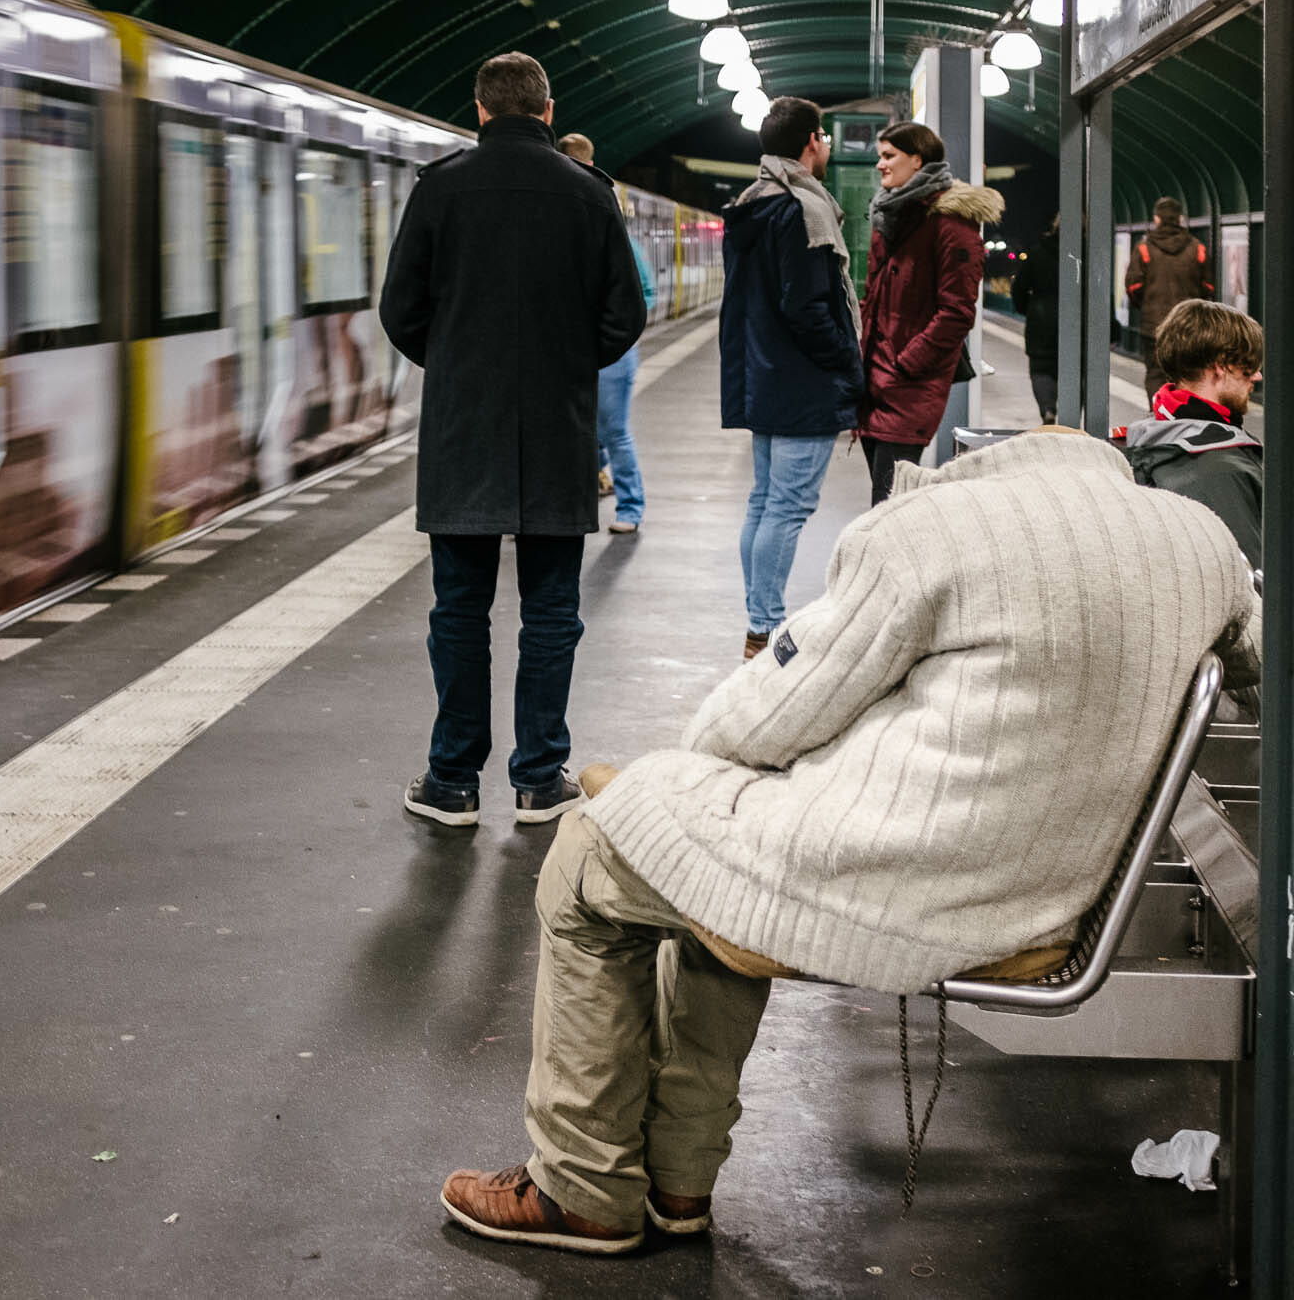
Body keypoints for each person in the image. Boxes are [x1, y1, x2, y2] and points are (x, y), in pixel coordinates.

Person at [438, 428, 1260, 1255]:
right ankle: (675, 1184)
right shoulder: (1200, 542)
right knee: (697, 863)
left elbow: (771, 710)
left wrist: (679, 777)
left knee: (589, 852)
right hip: (1048, 907)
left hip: (900, 894)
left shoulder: (933, 530)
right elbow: (1262, 654)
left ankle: (580, 1186)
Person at [381, 53, 645, 828]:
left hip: (464, 424)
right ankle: (538, 778)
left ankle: (452, 779)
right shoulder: (588, 193)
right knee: (552, 608)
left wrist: (459, 360)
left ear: (481, 110)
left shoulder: (441, 187)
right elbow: (622, 314)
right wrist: (564, 363)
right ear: (549, 111)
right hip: (558, 426)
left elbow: (402, 309)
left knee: (458, 607)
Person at [716, 96, 862, 662]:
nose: (825, 146)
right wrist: (848, 369)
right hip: (801, 381)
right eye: (823, 137)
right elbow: (807, 306)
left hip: (765, 374)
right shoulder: (802, 208)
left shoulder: (755, 201)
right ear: (811, 141)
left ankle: (759, 621)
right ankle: (766, 628)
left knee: (764, 503)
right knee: (789, 508)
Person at [858, 120, 1002, 506]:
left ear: (917, 159)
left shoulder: (951, 224)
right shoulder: (892, 217)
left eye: (889, 156)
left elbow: (956, 313)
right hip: (876, 380)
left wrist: (905, 365)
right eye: (879, 156)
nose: (880, 165)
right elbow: (876, 297)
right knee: (884, 499)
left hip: (908, 384)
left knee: (890, 503)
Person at [558, 131, 660, 535]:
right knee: (584, 431)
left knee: (613, 430)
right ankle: (578, 497)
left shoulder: (608, 219)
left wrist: (608, 336)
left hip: (610, 354)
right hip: (571, 351)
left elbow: (645, 293)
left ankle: (631, 507)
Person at [1118, 298, 1265, 568]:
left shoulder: (1139, 439)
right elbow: (1256, 583)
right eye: (1248, 365)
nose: (1256, 376)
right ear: (1221, 365)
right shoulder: (1225, 469)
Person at [1125, 197, 1215, 403]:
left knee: (1156, 372)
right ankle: (1183, 415)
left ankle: (1159, 414)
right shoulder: (1197, 248)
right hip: (1190, 325)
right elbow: (1208, 286)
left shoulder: (1144, 248)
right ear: (1180, 218)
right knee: (1187, 372)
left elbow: (1133, 286)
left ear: (1156, 219)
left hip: (1154, 324)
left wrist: (1145, 305)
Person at [1009, 215, 1059, 423]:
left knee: (1041, 367)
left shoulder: (1038, 253)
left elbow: (1018, 287)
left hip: (1041, 320)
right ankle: (1074, 416)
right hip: (1080, 322)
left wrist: (1027, 309)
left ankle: (1048, 408)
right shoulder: (1088, 253)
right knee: (1079, 370)